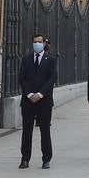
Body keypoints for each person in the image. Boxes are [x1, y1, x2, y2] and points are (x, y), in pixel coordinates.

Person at [17, 34, 56, 169]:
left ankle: (46, 159)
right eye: (35, 42)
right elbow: (22, 79)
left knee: (45, 130)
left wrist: (39, 94)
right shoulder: (26, 60)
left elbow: (51, 79)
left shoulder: (50, 60)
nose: (37, 44)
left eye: (39, 42)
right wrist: (29, 94)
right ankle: (25, 158)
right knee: (27, 131)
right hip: (28, 101)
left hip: (44, 101)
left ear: (44, 43)